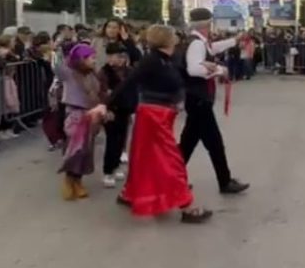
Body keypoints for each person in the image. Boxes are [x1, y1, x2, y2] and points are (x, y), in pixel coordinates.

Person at [110, 25, 212, 223]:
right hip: (153, 114)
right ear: (166, 39)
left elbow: (183, 75)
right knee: (171, 160)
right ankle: (186, 206)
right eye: (173, 35)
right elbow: (128, 82)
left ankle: (130, 193)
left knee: (144, 156)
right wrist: (105, 105)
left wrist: (208, 67)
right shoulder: (152, 60)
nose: (176, 38)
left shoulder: (168, 59)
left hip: (160, 114)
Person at [179, 8, 249, 194]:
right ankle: (225, 182)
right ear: (206, 24)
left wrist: (234, 40)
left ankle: (170, 178)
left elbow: (214, 48)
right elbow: (193, 69)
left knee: (187, 145)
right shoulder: (197, 45)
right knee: (214, 143)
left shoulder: (200, 42)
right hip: (199, 100)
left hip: (197, 99)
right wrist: (219, 70)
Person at [56, 43, 105, 200]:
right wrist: (58, 49)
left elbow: (99, 92)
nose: (94, 61)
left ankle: (78, 180)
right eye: (91, 58)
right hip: (75, 115)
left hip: (91, 114)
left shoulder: (92, 74)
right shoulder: (69, 73)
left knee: (86, 151)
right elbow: (56, 66)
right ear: (81, 59)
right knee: (75, 149)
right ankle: (69, 180)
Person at [99, 43, 135, 188]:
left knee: (121, 139)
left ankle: (117, 165)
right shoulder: (104, 73)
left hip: (125, 109)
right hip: (110, 110)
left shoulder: (129, 71)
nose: (120, 59)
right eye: (117, 56)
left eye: (123, 56)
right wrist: (106, 109)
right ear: (109, 57)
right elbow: (102, 93)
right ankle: (108, 171)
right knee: (112, 140)